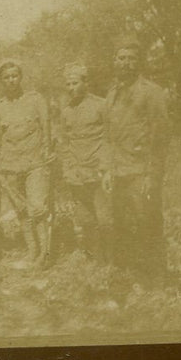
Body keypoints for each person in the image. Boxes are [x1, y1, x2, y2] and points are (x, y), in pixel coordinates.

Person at [102, 38, 170, 280]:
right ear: (114, 62)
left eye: (131, 58)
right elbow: (109, 137)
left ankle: (156, 280)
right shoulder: (112, 94)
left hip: (141, 171)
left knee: (148, 224)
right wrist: (108, 171)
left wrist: (152, 176)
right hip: (119, 171)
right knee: (122, 226)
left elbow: (159, 139)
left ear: (139, 62)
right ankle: (129, 276)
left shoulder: (152, 92)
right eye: (121, 58)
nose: (126, 63)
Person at [0, 58, 53, 269]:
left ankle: (44, 254)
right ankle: (32, 251)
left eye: (14, 76)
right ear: (1, 81)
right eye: (6, 77)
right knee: (22, 210)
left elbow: (47, 128)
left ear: (21, 77)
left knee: (38, 208)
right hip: (10, 167)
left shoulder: (35, 100)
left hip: (35, 164)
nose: (11, 80)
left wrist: (46, 156)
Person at [55, 62, 111, 262]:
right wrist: (68, 169)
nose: (71, 88)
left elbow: (109, 138)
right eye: (68, 84)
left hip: (98, 172)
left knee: (105, 219)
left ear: (85, 83)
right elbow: (65, 142)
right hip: (77, 175)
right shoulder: (66, 111)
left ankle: (112, 261)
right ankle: (95, 261)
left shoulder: (101, 105)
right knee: (86, 220)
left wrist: (105, 167)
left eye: (75, 83)